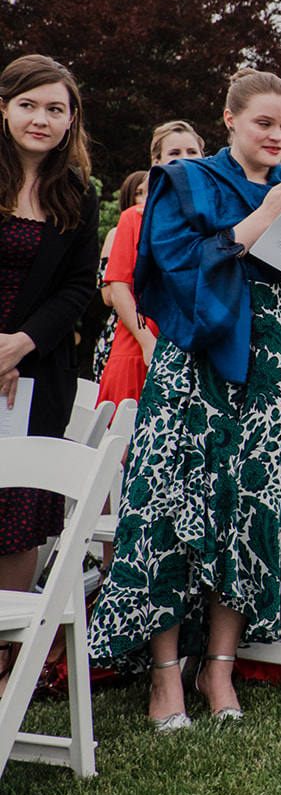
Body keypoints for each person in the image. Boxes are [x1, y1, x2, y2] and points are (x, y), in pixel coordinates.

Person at [86, 67, 281, 728]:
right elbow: (173, 267)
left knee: (251, 507)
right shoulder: (187, 181)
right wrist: (263, 217)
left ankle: (218, 670)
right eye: (266, 123)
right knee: (172, 505)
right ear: (229, 120)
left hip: (272, 366)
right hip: (194, 363)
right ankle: (166, 674)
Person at [0, 56, 99, 693]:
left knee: (17, 514)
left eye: (55, 109)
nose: (42, 118)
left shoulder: (77, 196)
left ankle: (4, 669)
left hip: (34, 380)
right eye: (30, 104)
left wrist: (18, 345)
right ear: (4, 108)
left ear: (70, 122)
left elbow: (78, 289)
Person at [98, 122, 207, 406]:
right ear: (156, 162)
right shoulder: (134, 218)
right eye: (174, 152)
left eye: (192, 151)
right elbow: (119, 288)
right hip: (140, 347)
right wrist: (148, 343)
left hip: (197, 352)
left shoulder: (212, 222)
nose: (184, 158)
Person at [90, 170, 148, 383]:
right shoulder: (116, 233)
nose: (144, 198)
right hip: (123, 328)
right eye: (139, 193)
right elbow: (107, 295)